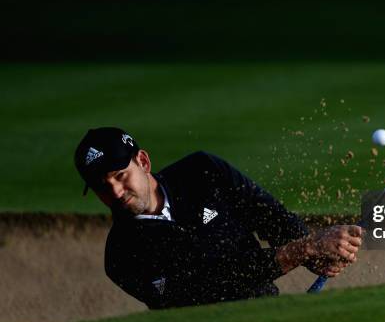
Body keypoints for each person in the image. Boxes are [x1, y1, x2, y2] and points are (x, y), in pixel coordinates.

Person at [74, 127, 363, 309]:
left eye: (120, 175)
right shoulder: (121, 255)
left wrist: (317, 254)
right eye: (101, 186)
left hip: (265, 315)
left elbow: (270, 215)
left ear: (143, 162)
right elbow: (210, 286)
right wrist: (304, 249)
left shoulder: (201, 171)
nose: (114, 191)